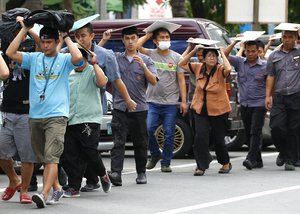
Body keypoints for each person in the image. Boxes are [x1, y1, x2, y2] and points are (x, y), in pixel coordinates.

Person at [6, 24, 83, 208]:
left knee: (52, 157)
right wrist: (25, 29)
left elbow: (79, 58)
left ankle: (44, 193)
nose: (46, 45)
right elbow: (10, 52)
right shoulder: (33, 58)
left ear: (57, 42)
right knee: (44, 158)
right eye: (43, 42)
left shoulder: (64, 59)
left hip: (57, 116)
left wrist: (66, 37)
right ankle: (57, 188)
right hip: (35, 116)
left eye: (50, 42)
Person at [63, 22, 137, 192]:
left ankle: (100, 176)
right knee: (72, 151)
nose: (80, 39)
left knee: (89, 150)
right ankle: (83, 183)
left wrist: (127, 99)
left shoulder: (105, 55)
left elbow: (115, 80)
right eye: (77, 36)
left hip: (93, 108)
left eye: (83, 35)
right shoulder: (67, 53)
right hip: (71, 110)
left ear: (91, 36)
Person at [99, 26, 158, 186]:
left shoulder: (146, 60)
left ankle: (141, 173)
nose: (130, 42)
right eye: (127, 39)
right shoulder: (116, 58)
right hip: (120, 108)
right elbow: (96, 55)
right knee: (118, 142)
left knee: (140, 143)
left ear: (137, 39)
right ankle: (116, 173)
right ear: (123, 41)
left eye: (133, 38)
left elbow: (153, 81)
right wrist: (104, 39)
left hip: (139, 109)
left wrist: (143, 67)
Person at [61, 45, 111, 197]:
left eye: (80, 60)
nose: (77, 63)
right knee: (70, 155)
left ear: (85, 59)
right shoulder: (68, 74)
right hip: (70, 119)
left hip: (89, 119)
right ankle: (74, 187)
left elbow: (102, 82)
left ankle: (103, 174)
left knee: (89, 151)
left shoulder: (92, 70)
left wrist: (95, 63)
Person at [137, 22, 187, 172]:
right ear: (155, 41)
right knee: (148, 129)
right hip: (152, 101)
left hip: (170, 102)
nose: (165, 40)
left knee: (169, 133)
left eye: (167, 37)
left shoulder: (177, 57)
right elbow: (137, 47)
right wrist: (147, 34)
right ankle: (154, 154)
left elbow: (181, 80)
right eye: (162, 38)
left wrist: (183, 101)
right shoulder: (151, 54)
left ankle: (166, 162)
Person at [0, 16, 39, 204]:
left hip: (26, 110)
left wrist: (27, 27)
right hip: (6, 109)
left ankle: (24, 189)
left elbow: (43, 43)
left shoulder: (32, 47)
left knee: (26, 154)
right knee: (1, 151)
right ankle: (13, 179)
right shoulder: (5, 47)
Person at [178, 46, 232, 176]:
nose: (212, 58)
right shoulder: (198, 67)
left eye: (214, 55)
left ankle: (225, 163)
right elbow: (181, 63)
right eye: (209, 56)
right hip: (200, 108)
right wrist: (193, 50)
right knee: (200, 137)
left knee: (218, 139)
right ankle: (201, 166)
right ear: (204, 58)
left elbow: (228, 69)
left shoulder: (220, 69)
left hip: (219, 110)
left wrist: (222, 53)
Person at [225, 40, 267, 169]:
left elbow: (271, 82)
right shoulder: (240, 62)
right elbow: (224, 55)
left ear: (258, 51)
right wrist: (236, 43)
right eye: (248, 51)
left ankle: (250, 158)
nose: (250, 54)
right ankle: (258, 160)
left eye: (253, 51)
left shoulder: (265, 66)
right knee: (248, 133)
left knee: (255, 131)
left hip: (259, 104)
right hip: (244, 104)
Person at [265, 25, 300, 171]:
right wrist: (267, 96)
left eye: (290, 37)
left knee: (293, 130)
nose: (287, 40)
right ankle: (283, 152)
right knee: (276, 127)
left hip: (296, 96)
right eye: (285, 37)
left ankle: (290, 160)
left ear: (296, 39)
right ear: (281, 39)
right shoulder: (274, 55)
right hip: (279, 97)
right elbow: (271, 76)